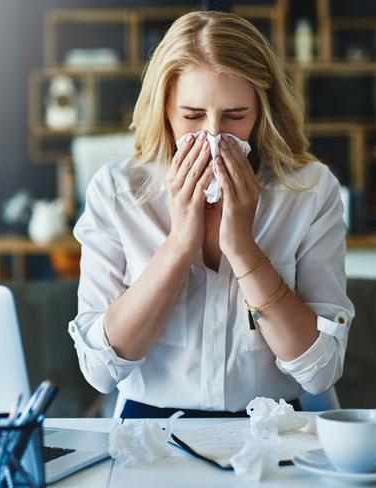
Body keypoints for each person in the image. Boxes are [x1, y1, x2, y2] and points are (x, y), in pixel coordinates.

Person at [68, 10, 354, 418]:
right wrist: (179, 245)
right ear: (164, 109)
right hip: (150, 429)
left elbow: (320, 372)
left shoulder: (309, 190)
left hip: (271, 428)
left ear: (261, 112)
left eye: (235, 116)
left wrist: (242, 248)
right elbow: (99, 370)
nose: (215, 137)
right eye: (193, 116)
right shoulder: (117, 190)